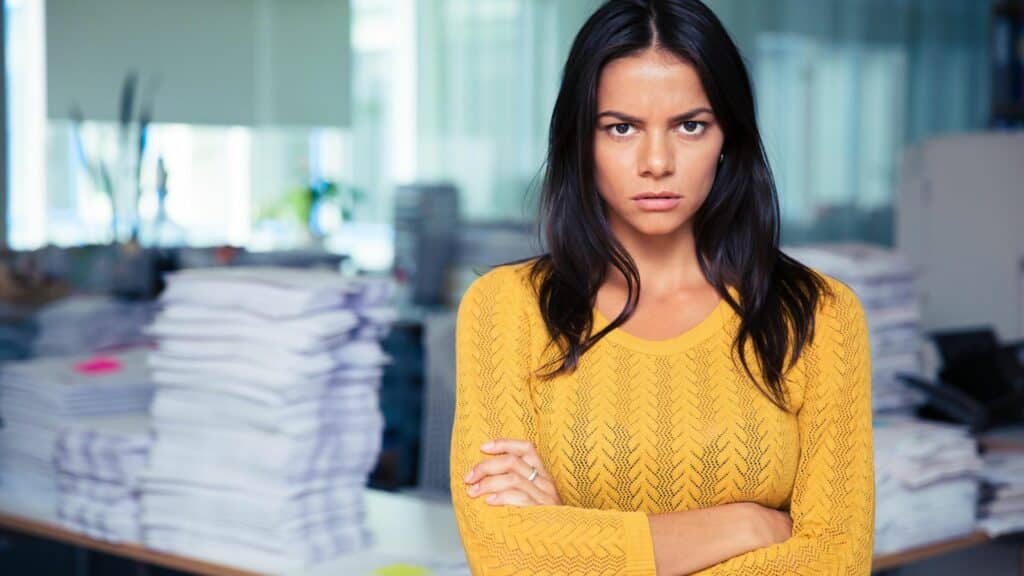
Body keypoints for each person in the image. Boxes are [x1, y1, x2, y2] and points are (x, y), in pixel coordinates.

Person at [449, 0, 874, 574]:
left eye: (689, 125)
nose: (656, 161)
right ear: (582, 141)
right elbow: (503, 553)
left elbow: (835, 558)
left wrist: (573, 543)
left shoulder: (818, 315)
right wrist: (745, 525)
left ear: (728, 137)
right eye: (621, 128)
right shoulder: (506, 309)